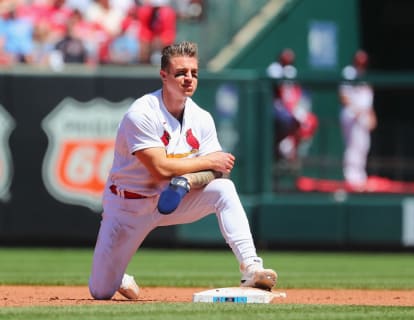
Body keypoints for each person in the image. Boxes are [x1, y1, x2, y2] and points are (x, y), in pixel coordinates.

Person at [88, 41, 278, 300]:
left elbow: (219, 170)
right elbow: (160, 168)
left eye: (193, 73)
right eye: (181, 73)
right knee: (101, 291)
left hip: (171, 200)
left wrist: (187, 180)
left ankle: (252, 267)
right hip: (127, 206)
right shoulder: (142, 113)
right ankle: (117, 272)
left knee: (224, 189)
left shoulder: (202, 118)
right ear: (164, 76)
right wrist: (203, 165)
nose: (188, 79)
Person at [266, 48, 318, 162]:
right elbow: (278, 90)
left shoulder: (291, 70)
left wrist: (297, 106)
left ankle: (290, 146)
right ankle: (282, 146)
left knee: (310, 121)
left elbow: (296, 91)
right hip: (278, 105)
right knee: (285, 119)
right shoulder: (274, 69)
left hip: (292, 105)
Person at [338, 49, 377, 191]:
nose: (361, 63)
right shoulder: (348, 72)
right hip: (352, 114)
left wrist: (372, 115)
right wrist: (356, 110)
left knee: (364, 145)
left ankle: (360, 176)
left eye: (364, 60)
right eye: (359, 60)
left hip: (363, 114)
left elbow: (368, 99)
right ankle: (351, 177)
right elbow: (343, 95)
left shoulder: (365, 76)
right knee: (353, 146)